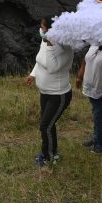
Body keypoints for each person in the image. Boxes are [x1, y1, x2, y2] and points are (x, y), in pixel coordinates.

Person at [26, 17, 74, 167]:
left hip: (58, 95)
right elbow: (40, 59)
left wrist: (50, 45)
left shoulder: (65, 46)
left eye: (43, 25)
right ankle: (53, 152)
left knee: (45, 126)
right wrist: (33, 74)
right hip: (45, 92)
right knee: (48, 125)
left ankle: (49, 157)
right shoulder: (45, 40)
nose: (41, 28)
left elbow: (53, 67)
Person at [76, 44, 102, 154]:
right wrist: (80, 76)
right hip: (91, 90)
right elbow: (86, 60)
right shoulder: (94, 45)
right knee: (98, 117)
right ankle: (98, 137)